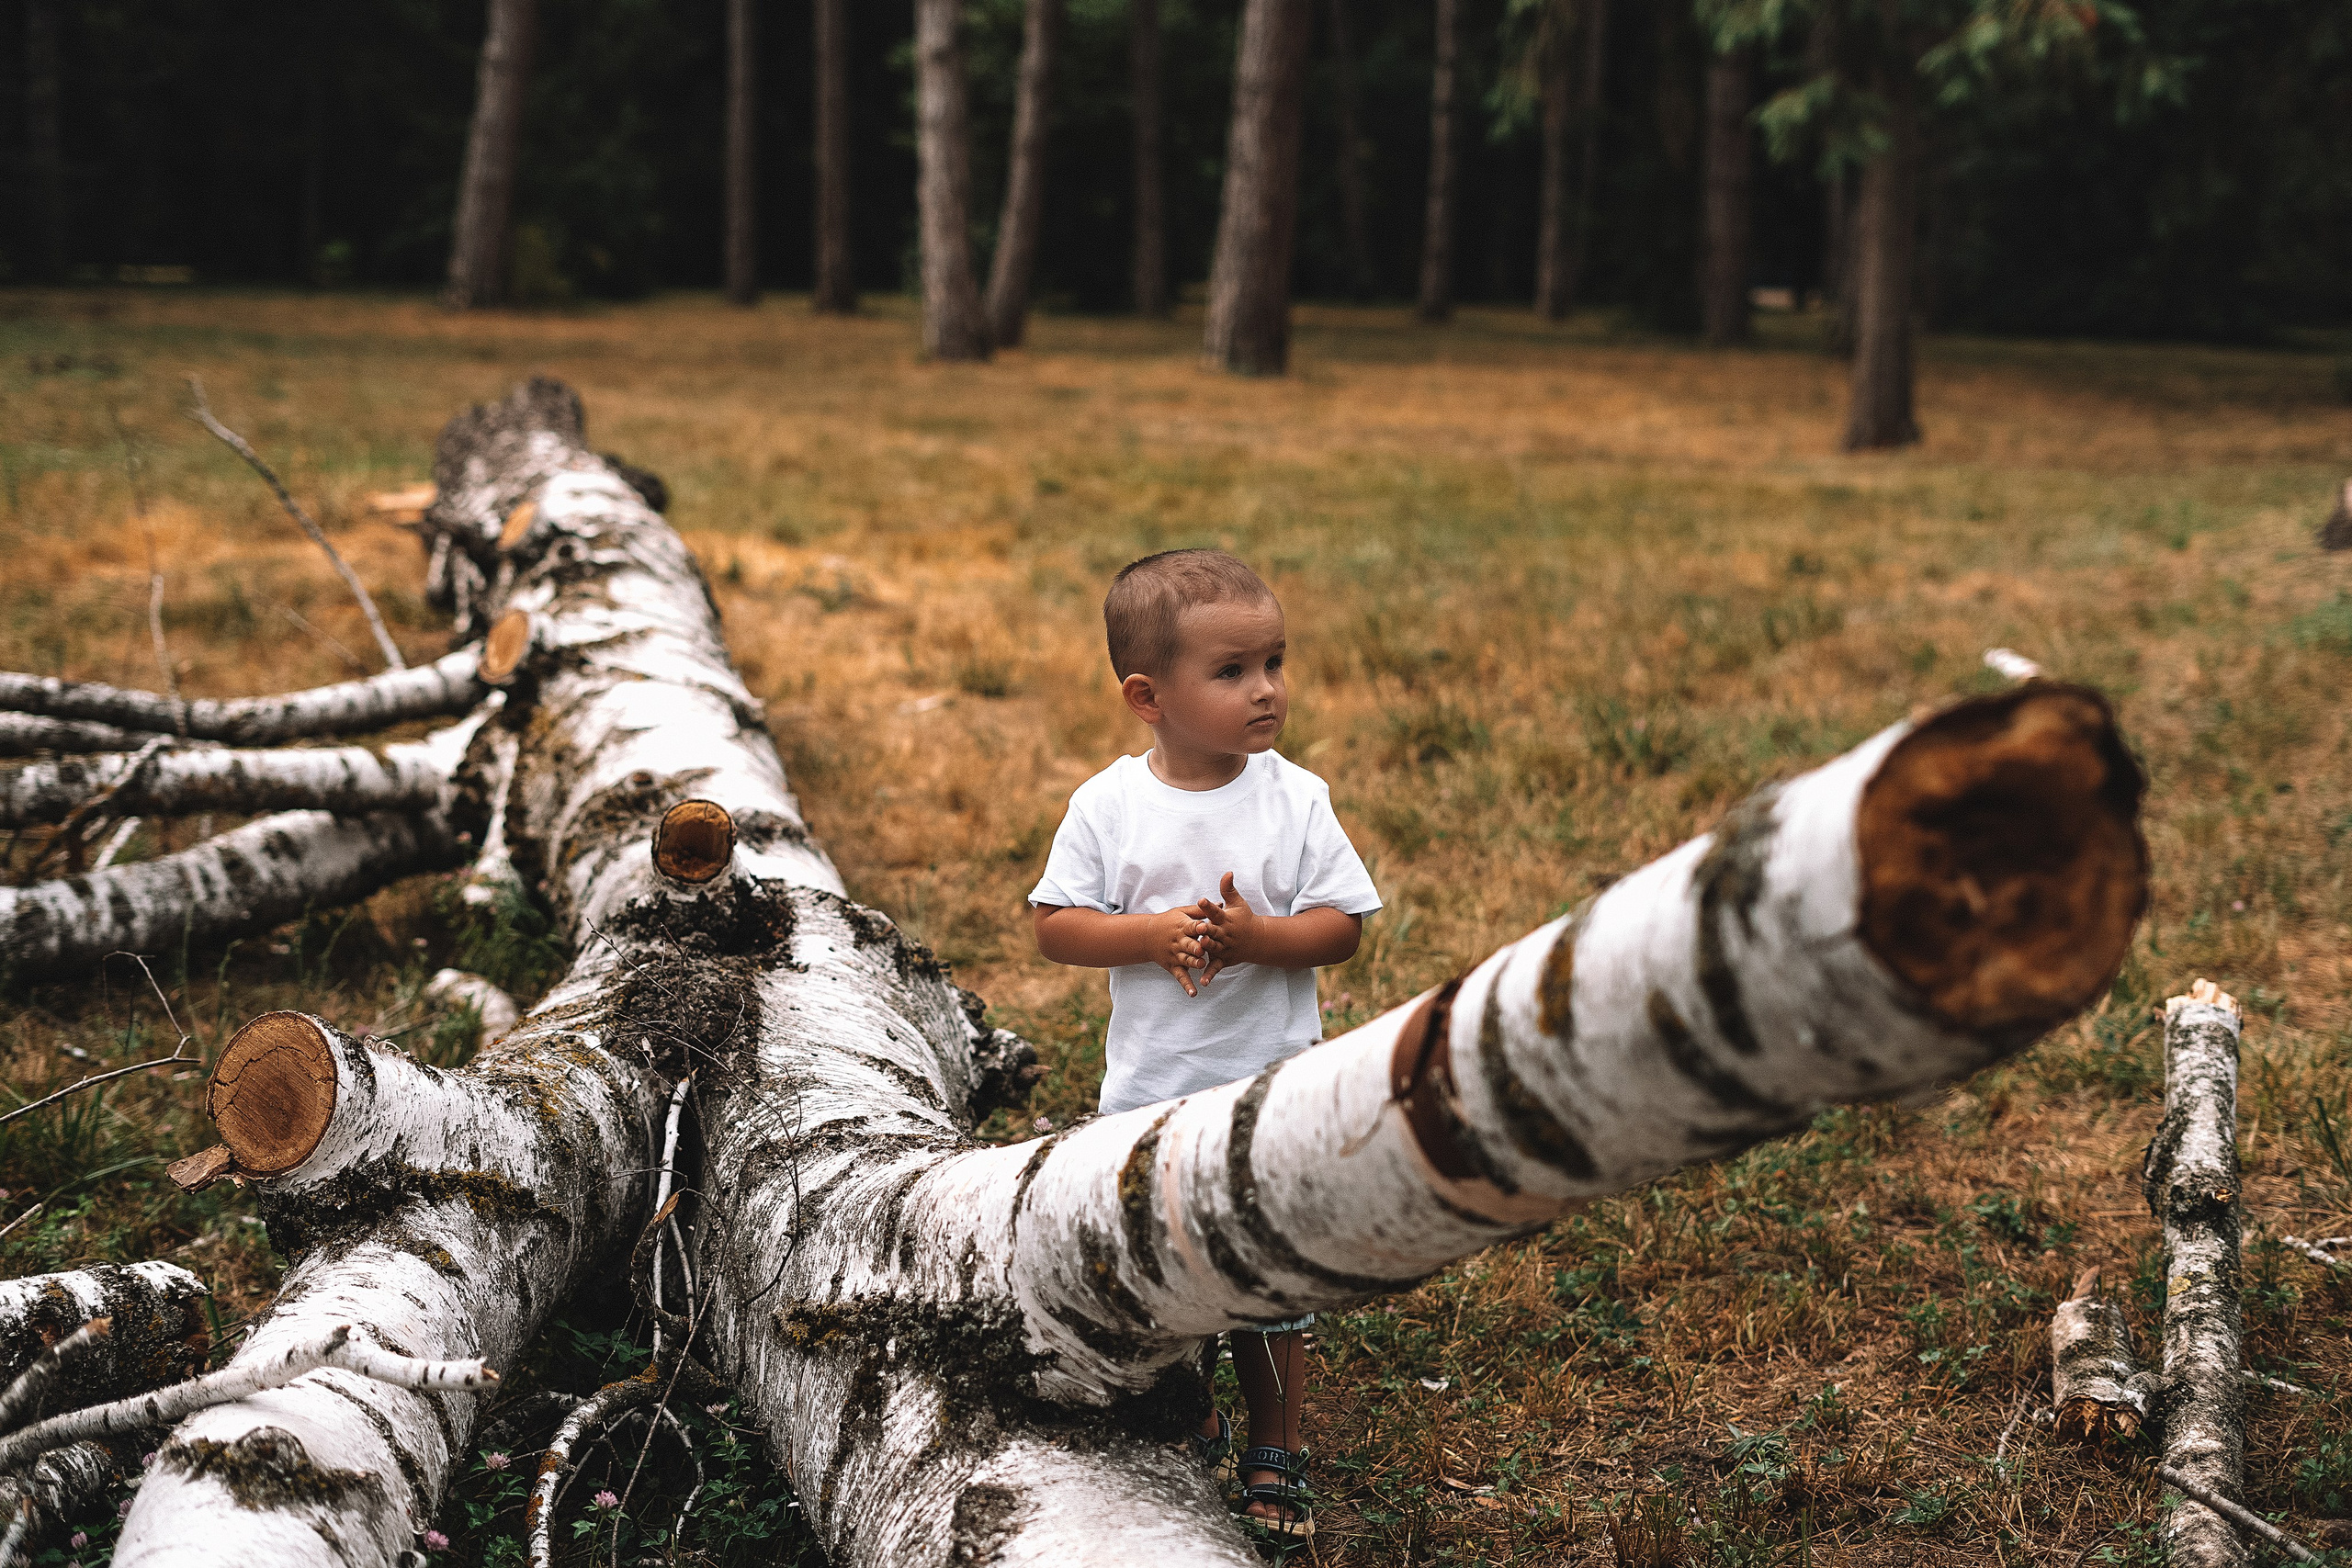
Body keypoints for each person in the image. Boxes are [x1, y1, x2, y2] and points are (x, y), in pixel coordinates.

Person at [1029, 548, 1382, 1544]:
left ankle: (1274, 1446)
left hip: (1271, 1092)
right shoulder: (1109, 805)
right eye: (1232, 672)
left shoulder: (1294, 798)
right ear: (1147, 695)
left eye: (1274, 661)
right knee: (1162, 1267)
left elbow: (1344, 926)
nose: (1266, 689)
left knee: (1270, 1280)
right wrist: (1145, 933)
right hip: (1152, 1094)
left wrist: (1256, 938)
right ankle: (1181, 1414)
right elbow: (1055, 925)